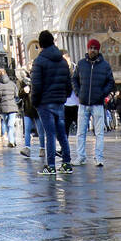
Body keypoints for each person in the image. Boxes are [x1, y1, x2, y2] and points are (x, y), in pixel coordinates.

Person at [29, 29, 73, 174]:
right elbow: (68, 83)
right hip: (59, 102)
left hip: (45, 103)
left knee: (50, 135)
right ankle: (67, 163)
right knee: (61, 133)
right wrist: (64, 96)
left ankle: (51, 166)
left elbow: (36, 85)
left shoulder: (39, 61)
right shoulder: (62, 61)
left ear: (41, 45)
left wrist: (34, 102)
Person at [73, 37, 114, 166]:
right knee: (80, 132)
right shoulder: (81, 64)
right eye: (91, 48)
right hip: (83, 103)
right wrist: (79, 93)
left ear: (98, 50)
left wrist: (102, 94)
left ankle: (99, 157)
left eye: (95, 48)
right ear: (87, 48)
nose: (93, 50)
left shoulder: (105, 65)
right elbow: (74, 79)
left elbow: (111, 82)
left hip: (97, 104)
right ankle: (81, 157)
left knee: (99, 133)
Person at [0, 66, 21, 147]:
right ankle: (12, 140)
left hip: (3, 107)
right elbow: (16, 94)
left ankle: (11, 140)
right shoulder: (12, 83)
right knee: (11, 125)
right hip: (12, 107)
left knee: (8, 124)